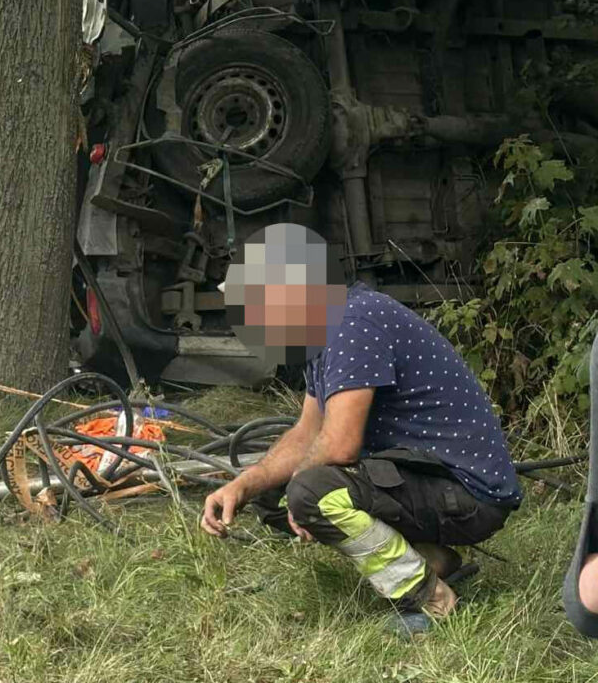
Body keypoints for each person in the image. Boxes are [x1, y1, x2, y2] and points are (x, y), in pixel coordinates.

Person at [202, 223, 520, 636]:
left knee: (311, 492)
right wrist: (243, 485)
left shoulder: (351, 322)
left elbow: (340, 445)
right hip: (428, 480)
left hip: (468, 493)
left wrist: (301, 490)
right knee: (272, 491)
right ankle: (431, 559)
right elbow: (306, 434)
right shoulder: (321, 332)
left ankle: (429, 596)